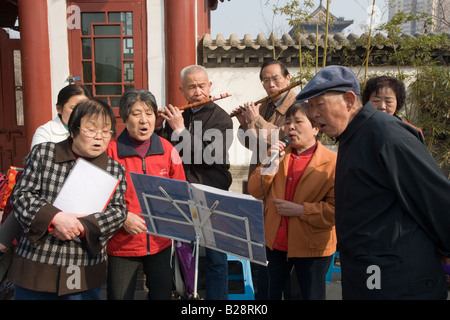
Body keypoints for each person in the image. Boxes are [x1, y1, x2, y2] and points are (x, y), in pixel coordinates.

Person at [296, 65, 450, 299]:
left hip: (397, 277)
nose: (314, 114)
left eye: (319, 105)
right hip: (365, 270)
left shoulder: (386, 135)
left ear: (348, 100)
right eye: (310, 107)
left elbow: (436, 198)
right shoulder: (352, 135)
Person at [7, 99, 127, 300]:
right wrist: (55, 218)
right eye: (91, 129)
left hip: (82, 262)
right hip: (38, 258)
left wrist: (79, 226)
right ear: (73, 130)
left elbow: (118, 211)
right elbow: (21, 195)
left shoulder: (115, 169)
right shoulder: (44, 153)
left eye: (106, 131)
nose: (99, 137)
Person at [156, 65, 233, 300]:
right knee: (183, 253)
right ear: (182, 90)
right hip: (181, 193)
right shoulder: (179, 115)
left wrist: (179, 129)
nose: (198, 91)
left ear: (210, 86)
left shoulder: (221, 118)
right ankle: (189, 297)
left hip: (212, 194)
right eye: (192, 87)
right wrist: (158, 126)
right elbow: (163, 150)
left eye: (202, 85)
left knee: (216, 257)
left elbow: (208, 157)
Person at [247, 102, 337, 300]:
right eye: (287, 123)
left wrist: (301, 210)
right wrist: (270, 165)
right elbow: (255, 190)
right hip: (274, 242)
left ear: (315, 128)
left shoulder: (333, 163)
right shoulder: (278, 154)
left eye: (298, 121)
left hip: (312, 246)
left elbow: (336, 211)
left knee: (309, 295)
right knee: (266, 294)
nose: (291, 127)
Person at [106, 89, 186, 300]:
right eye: (136, 113)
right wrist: (122, 217)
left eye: (149, 113)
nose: (144, 120)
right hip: (121, 243)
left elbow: (180, 192)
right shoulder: (110, 152)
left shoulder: (168, 150)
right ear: (124, 117)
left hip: (160, 242)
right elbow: (99, 198)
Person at [234, 60, 298, 181]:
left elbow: (285, 139)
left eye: (276, 78)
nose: (271, 84)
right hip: (259, 175)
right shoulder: (263, 106)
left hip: (283, 176)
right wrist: (246, 125)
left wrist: (256, 120)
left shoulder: (299, 106)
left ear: (288, 78)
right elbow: (255, 146)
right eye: (266, 81)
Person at [31, 84, 92, 148]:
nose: (80, 112)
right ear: (59, 108)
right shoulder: (45, 133)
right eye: (74, 108)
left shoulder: (99, 131)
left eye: (85, 107)